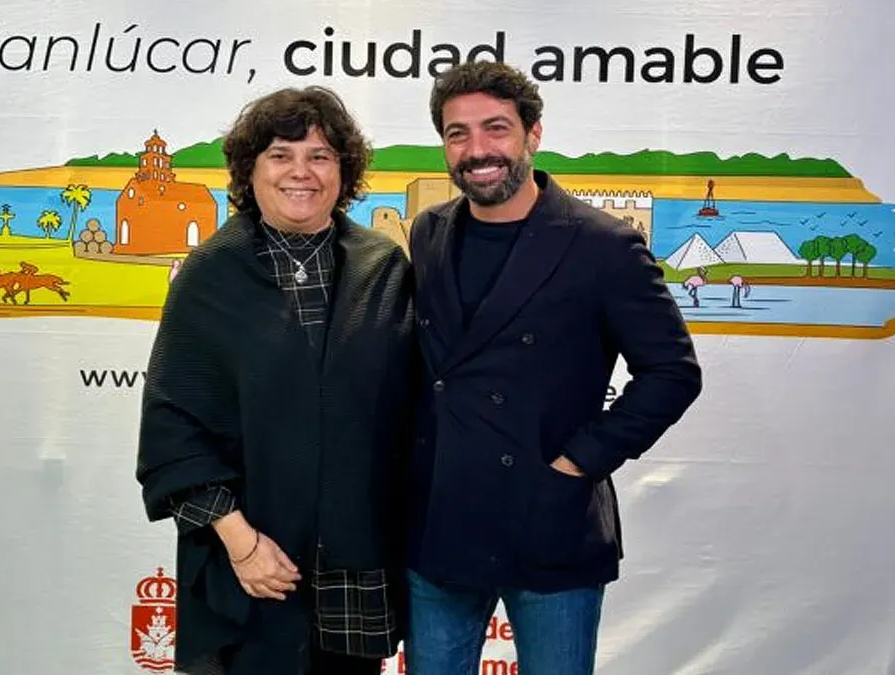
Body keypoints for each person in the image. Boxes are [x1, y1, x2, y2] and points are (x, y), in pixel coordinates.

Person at [402, 61, 703, 675]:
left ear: (533, 134)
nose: (477, 150)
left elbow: (673, 372)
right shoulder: (429, 231)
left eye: (496, 128)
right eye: (458, 134)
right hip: (442, 523)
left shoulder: (603, 246)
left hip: (550, 519)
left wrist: (579, 462)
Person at [135, 86, 417, 675]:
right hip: (250, 566)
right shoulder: (210, 274)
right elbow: (173, 430)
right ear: (250, 169)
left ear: (344, 171)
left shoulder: (383, 267)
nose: (301, 172)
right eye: (280, 155)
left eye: (320, 156)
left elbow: (410, 412)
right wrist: (242, 545)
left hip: (354, 569)